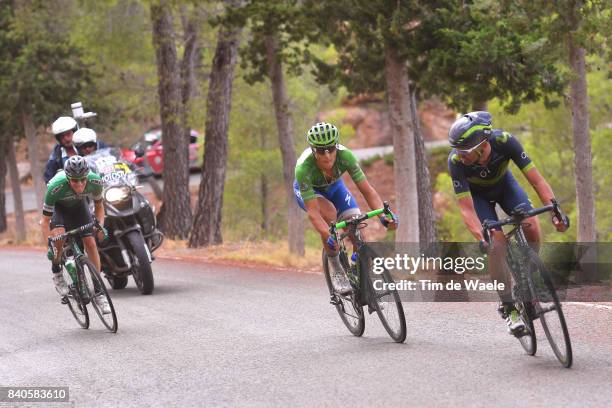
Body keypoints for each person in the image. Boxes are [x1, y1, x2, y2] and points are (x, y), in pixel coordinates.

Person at [447, 111, 567, 334]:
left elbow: (537, 181)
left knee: (530, 223)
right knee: (497, 245)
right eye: (457, 151)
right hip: (479, 199)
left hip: (505, 187)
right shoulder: (456, 162)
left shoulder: (505, 141)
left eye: (464, 152)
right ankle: (508, 306)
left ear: (482, 145)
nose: (459, 155)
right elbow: (466, 208)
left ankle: (530, 278)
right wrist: (481, 236)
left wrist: (556, 210)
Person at [294, 122, 397, 294]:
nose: (327, 156)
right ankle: (336, 269)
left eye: (331, 149)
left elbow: (367, 191)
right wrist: (328, 235)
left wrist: (384, 216)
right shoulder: (303, 168)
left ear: (337, 146)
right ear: (313, 150)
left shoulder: (346, 156)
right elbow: (313, 214)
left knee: (359, 231)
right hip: (310, 191)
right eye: (321, 151)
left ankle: (360, 274)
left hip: (335, 187)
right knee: (330, 216)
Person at [41, 155, 111, 314]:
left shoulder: (94, 181)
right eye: (74, 181)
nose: (79, 184)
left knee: (91, 243)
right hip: (59, 210)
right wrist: (50, 244)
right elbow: (44, 221)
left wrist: (100, 226)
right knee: (59, 238)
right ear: (67, 178)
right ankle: (57, 271)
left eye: (82, 180)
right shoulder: (55, 187)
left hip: (79, 208)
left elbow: (99, 207)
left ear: (87, 176)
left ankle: (99, 292)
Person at [44, 116, 79, 183]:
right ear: (58, 138)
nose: (66, 138)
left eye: (68, 134)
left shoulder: (89, 146)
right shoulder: (55, 158)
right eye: (62, 136)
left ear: (75, 132)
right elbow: (49, 180)